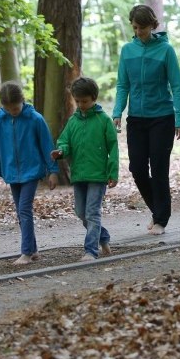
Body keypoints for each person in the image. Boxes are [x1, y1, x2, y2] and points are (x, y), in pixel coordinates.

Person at [113, 4, 180, 236]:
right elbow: (123, 84)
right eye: (135, 28)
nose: (138, 32)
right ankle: (158, 210)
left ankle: (161, 220)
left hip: (162, 118)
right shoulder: (127, 51)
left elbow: (177, 86)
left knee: (159, 168)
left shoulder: (166, 50)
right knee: (136, 167)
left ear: (152, 26)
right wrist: (117, 111)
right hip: (136, 119)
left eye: (142, 28)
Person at [0, 81, 59, 265]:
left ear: (23, 101)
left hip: (32, 170)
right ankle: (33, 250)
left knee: (24, 209)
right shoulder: (0, 121)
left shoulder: (35, 119)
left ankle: (26, 252)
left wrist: (52, 171)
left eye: (16, 108)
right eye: (9, 109)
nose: (13, 112)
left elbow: (47, 146)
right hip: (11, 171)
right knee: (21, 212)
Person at [51, 77, 119, 261]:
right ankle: (103, 237)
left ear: (94, 98)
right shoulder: (73, 121)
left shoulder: (104, 120)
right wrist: (61, 151)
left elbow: (113, 147)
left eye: (85, 101)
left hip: (98, 175)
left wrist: (113, 172)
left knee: (92, 212)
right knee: (81, 213)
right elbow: (64, 141)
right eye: (78, 101)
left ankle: (90, 251)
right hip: (79, 174)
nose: (81, 105)